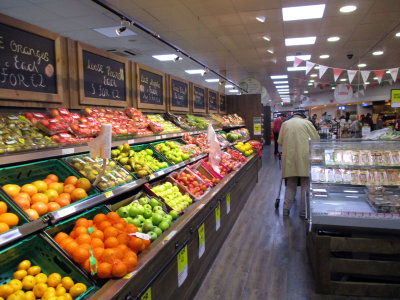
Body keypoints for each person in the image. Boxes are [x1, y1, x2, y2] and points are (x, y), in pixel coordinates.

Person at [277, 111, 320, 217]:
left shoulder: (285, 124)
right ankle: (304, 211)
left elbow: (280, 141)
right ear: (302, 116)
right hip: (304, 157)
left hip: (290, 157)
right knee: (305, 183)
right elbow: (316, 139)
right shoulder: (307, 123)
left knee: (290, 183)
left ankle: (286, 209)